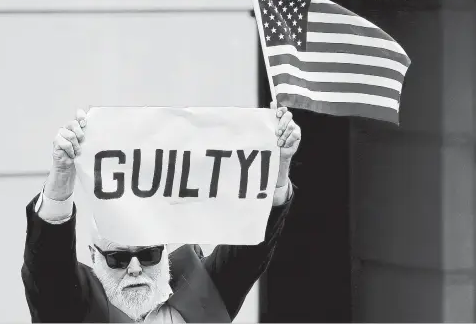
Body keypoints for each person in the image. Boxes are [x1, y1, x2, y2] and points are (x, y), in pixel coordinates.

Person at [21, 102, 302, 323]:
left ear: (165, 249)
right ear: (94, 255)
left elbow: (250, 247)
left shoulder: (202, 291)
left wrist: (278, 167)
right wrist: (62, 171)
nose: (134, 269)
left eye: (148, 255)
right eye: (117, 258)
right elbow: (47, 265)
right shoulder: (71, 306)